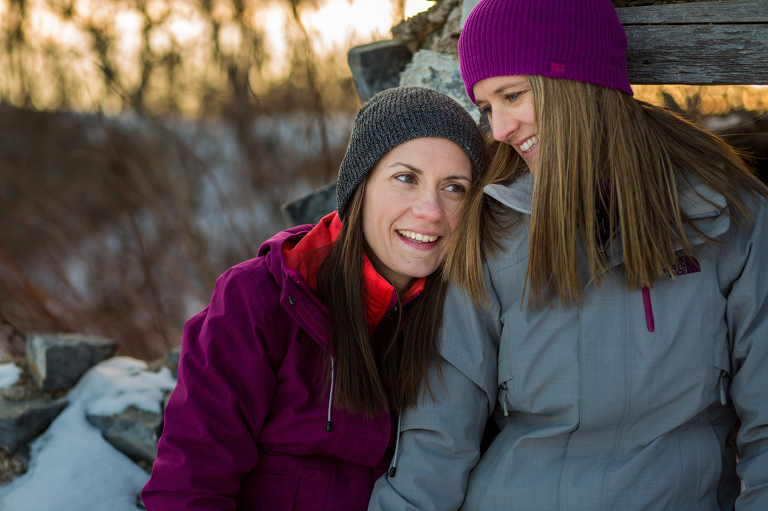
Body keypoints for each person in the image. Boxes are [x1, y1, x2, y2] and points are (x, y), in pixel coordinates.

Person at [368, 0, 768, 510]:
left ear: (578, 80)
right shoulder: (492, 225)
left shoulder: (726, 216)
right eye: (487, 107)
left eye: (512, 95)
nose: (499, 129)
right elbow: (439, 436)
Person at [141, 87, 485, 510]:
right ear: (360, 186)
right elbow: (187, 488)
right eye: (406, 178)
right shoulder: (257, 299)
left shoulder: (465, 315)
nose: (430, 210)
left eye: (454, 188)